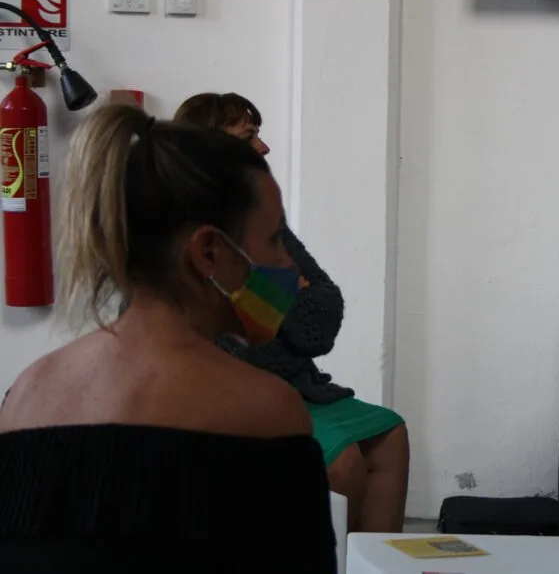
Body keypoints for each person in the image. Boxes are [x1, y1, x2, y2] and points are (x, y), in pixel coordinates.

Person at [0, 104, 336, 572]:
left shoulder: (25, 395)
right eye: (275, 240)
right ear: (209, 253)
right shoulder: (267, 411)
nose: (287, 265)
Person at [172, 92, 409, 533]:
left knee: (390, 433)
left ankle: (368, 563)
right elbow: (236, 351)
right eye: (249, 137)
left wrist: (269, 298)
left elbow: (321, 321)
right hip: (229, 400)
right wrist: (287, 293)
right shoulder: (183, 230)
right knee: (342, 463)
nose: (264, 148)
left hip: (296, 387)